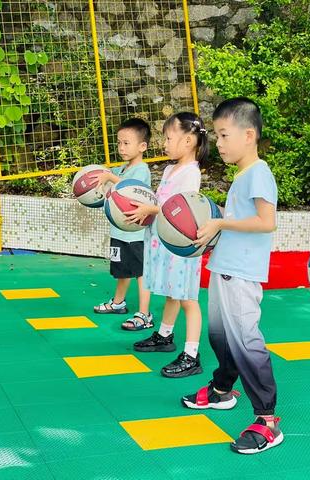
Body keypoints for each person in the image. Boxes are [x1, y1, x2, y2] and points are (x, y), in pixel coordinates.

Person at [181, 97, 283, 454]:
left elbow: (266, 222)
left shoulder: (259, 173)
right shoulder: (243, 174)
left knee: (246, 343)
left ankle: (267, 420)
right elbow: (240, 223)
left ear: (249, 135)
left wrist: (221, 221)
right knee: (220, 337)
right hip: (225, 270)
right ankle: (223, 390)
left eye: (224, 136)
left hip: (241, 275)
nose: (218, 144)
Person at [126, 112, 208, 378]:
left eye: (169, 137)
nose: (164, 143)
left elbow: (180, 210)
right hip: (166, 242)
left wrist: (152, 208)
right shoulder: (172, 169)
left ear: (188, 141)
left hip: (182, 245)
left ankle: (192, 355)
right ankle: (164, 336)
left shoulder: (191, 174)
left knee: (187, 299)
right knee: (173, 293)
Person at [93, 118, 153, 329]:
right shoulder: (122, 169)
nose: (121, 147)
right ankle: (118, 303)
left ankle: (145, 313)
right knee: (122, 269)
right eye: (119, 143)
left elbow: (131, 188)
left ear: (142, 146)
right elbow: (111, 188)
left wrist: (110, 177)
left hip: (135, 232)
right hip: (119, 230)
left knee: (141, 272)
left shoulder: (141, 170)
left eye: (126, 143)